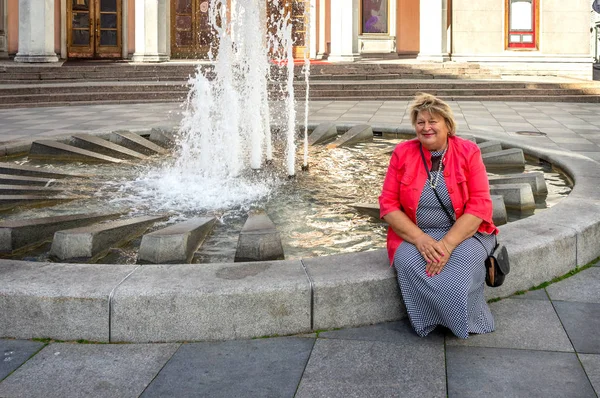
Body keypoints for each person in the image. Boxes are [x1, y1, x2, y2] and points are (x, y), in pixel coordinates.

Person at [379, 93, 499, 339]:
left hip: (465, 233)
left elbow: (480, 205)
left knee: (457, 277)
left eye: (433, 121)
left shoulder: (468, 152)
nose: (426, 127)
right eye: (420, 122)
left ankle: (468, 321)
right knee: (412, 265)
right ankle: (430, 320)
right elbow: (388, 204)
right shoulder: (403, 153)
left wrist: (447, 244)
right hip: (415, 235)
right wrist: (420, 239)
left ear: (447, 125)